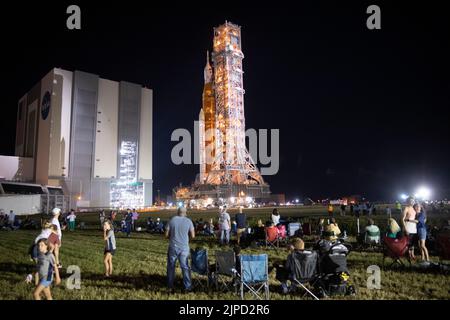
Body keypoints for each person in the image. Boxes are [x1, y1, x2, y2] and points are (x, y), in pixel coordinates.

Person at [165, 207, 195, 293]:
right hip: (184, 248)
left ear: (177, 212)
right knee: (185, 267)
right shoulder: (189, 221)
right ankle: (188, 286)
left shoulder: (172, 220)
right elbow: (193, 236)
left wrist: (171, 237)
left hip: (173, 247)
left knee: (171, 266)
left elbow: (166, 234)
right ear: (185, 213)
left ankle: (170, 286)